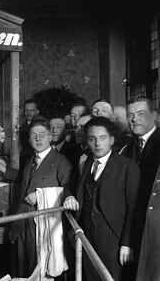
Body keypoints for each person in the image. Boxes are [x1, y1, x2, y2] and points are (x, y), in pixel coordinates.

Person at [63, 116, 141, 281]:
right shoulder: (85, 163)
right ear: (87, 141)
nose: (97, 143)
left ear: (112, 140)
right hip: (86, 236)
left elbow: (134, 208)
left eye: (102, 138)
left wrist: (128, 243)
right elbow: (70, 187)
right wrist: (69, 196)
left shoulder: (128, 166)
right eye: (92, 139)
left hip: (114, 239)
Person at [0, 118, 72, 278]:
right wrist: (5, 170)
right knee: (21, 271)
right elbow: (23, 178)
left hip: (42, 226)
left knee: (39, 272)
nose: (38, 138)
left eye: (42, 134)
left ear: (51, 136)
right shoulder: (29, 160)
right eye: (33, 135)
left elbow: (69, 189)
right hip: (21, 223)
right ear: (28, 139)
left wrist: (41, 195)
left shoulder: (61, 162)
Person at [121, 96, 160, 281]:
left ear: (155, 115)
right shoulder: (126, 148)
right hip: (134, 227)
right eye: (130, 115)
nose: (134, 119)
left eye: (141, 114)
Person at [19, 99, 39, 165]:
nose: (29, 113)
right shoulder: (21, 128)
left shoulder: (43, 127)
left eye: (32, 110)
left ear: (37, 111)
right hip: (26, 161)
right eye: (26, 110)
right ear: (23, 112)